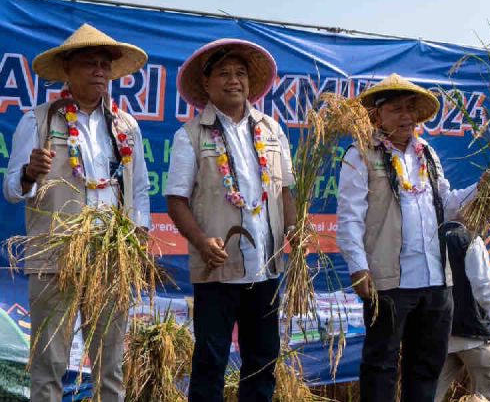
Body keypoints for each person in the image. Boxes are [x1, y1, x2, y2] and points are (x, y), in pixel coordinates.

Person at [3, 24, 151, 402]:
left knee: (110, 367)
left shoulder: (125, 125)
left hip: (110, 260)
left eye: (105, 64)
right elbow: (11, 190)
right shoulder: (37, 120)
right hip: (56, 259)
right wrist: (28, 173)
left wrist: (139, 240)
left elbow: (138, 189)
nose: (100, 71)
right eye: (89, 63)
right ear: (67, 70)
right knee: (49, 365)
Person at [165, 38, 297, 402]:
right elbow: (176, 200)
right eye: (224, 73)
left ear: (250, 83)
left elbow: (286, 190)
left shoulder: (272, 129)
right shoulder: (189, 135)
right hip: (217, 269)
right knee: (210, 360)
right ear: (206, 84)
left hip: (266, 269)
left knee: (263, 360)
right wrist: (202, 241)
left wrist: (294, 233)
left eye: (240, 73)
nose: (234, 80)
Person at [336, 73, 478, 402]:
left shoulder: (426, 153)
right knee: (381, 367)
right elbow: (349, 218)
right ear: (376, 116)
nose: (406, 117)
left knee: (427, 366)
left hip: (435, 280)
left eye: (410, 109)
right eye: (396, 109)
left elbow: (449, 205)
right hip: (389, 283)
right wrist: (358, 268)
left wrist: (484, 186)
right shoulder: (360, 154)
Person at [434, 221, 490, 402]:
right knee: (486, 398)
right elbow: (483, 287)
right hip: (474, 338)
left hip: (442, 338)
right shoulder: (470, 240)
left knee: (427, 396)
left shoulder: (430, 241)